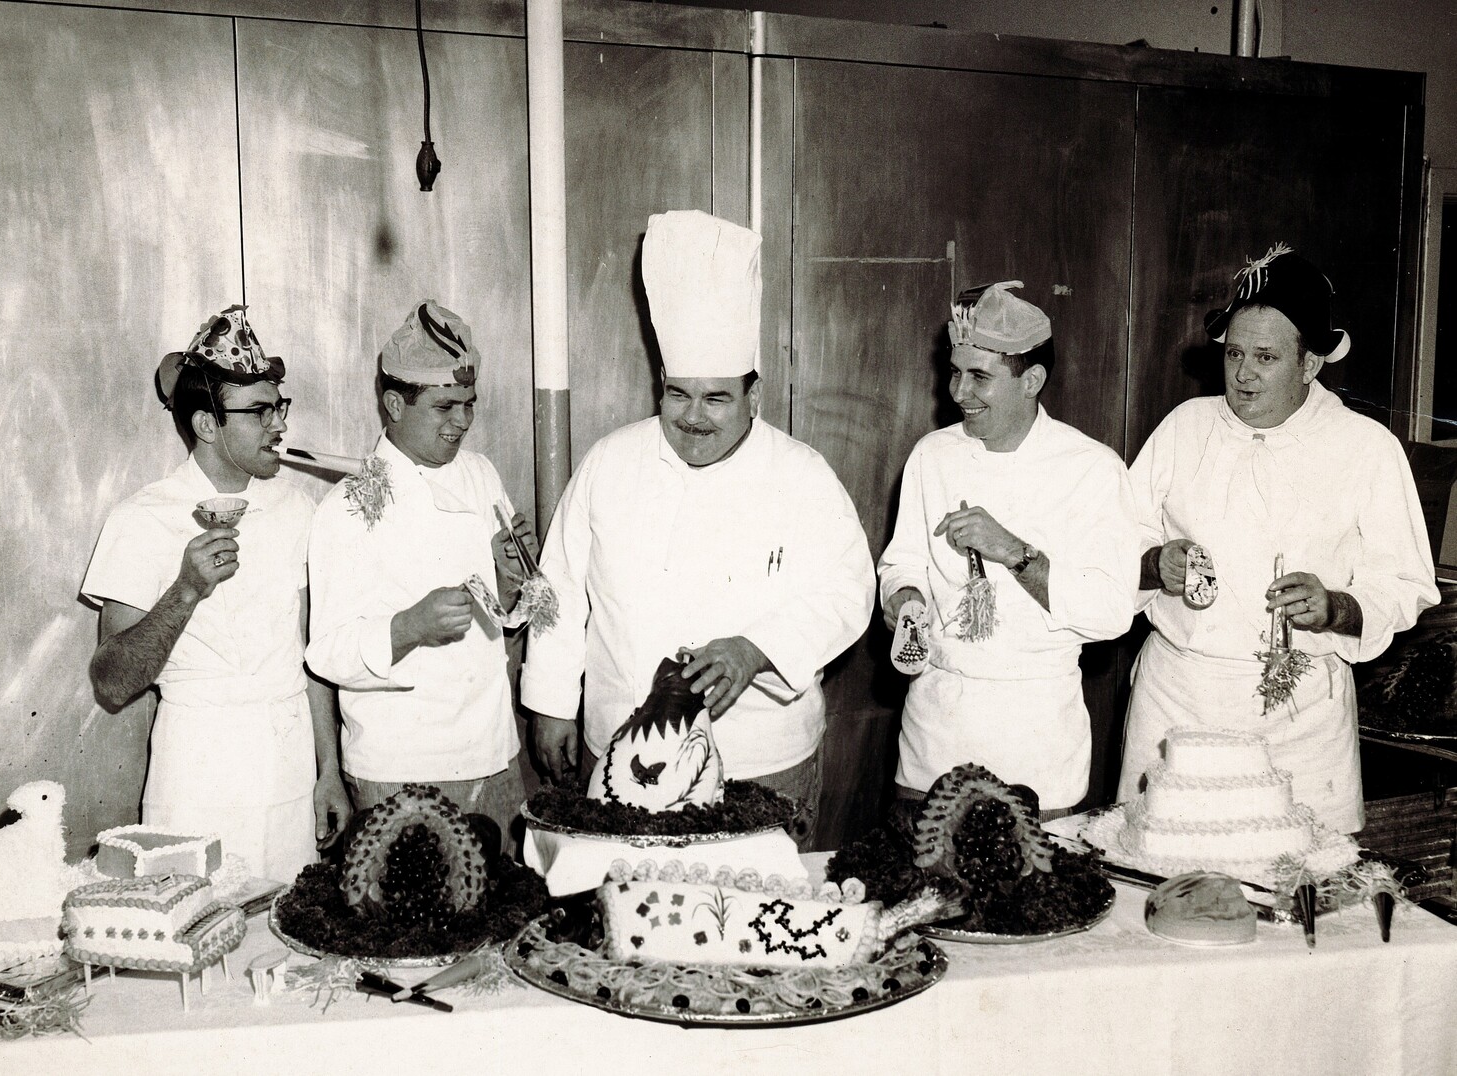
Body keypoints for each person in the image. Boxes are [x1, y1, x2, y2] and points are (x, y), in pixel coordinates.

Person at [521, 210, 875, 850]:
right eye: (677, 394)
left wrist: (755, 650)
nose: (693, 418)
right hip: (626, 756)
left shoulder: (802, 476)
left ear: (753, 395)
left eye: (716, 399)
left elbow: (849, 594)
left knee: (754, 922)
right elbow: (559, 589)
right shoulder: (610, 462)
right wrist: (549, 702)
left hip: (761, 757)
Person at [1119, 245, 1439, 833]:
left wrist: (1336, 607)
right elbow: (1111, 546)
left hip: (1300, 719)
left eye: (1265, 357)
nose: (1242, 374)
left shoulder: (1365, 448)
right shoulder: (1183, 429)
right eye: (1235, 353)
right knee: (1163, 873)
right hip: (1178, 700)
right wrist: (1151, 563)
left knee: (1300, 887)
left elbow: (1407, 583)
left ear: (1311, 364)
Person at [83, 305, 350, 883]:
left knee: (286, 943)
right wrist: (185, 591)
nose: (279, 425)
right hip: (198, 776)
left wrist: (329, 771)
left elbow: (310, 657)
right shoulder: (140, 519)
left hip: (289, 771)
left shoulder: (297, 508)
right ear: (207, 425)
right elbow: (111, 683)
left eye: (279, 406)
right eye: (259, 412)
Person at [878, 282, 1140, 820]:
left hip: (1036, 743)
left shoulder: (1092, 469)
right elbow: (903, 561)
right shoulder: (933, 455)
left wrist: (1014, 551)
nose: (957, 392)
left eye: (979, 377)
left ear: (1032, 381)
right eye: (955, 371)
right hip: (935, 731)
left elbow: (1112, 613)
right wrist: (906, 602)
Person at [305, 301, 537, 852]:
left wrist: (511, 581)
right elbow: (327, 654)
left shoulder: (480, 475)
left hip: (492, 750)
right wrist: (409, 626)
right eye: (444, 406)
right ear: (393, 405)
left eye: (469, 404)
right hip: (402, 764)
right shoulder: (348, 504)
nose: (462, 421)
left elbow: (503, 620)